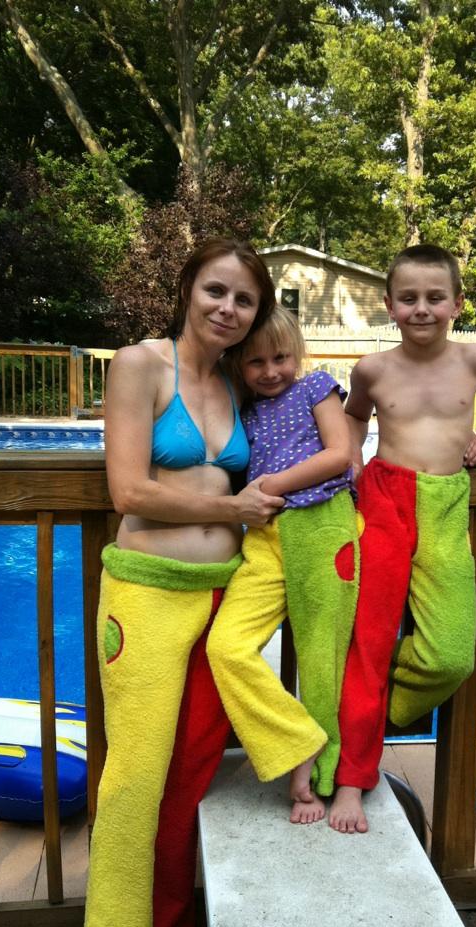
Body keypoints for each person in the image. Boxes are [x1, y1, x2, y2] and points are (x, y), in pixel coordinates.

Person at [80, 238, 289, 927]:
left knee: (190, 775)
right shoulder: (140, 365)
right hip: (145, 596)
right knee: (134, 777)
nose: (228, 309)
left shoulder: (239, 381)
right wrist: (230, 508)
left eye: (244, 300)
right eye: (216, 291)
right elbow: (129, 490)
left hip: (223, 599)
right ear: (187, 290)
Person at [328, 243, 476, 834]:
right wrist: (353, 458)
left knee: (451, 654)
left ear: (457, 304)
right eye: (408, 298)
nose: (421, 308)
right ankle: (351, 780)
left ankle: (381, 706)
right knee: (368, 640)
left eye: (435, 297)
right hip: (383, 499)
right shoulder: (373, 369)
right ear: (389, 305)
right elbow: (355, 414)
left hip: (444, 504)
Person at [206, 306, 359, 824]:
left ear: (297, 354)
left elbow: (339, 454)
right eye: (256, 362)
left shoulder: (316, 387)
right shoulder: (244, 411)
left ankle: (317, 779)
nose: (271, 371)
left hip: (322, 526)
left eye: (280, 358)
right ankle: (299, 740)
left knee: (321, 660)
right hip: (265, 538)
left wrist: (268, 486)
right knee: (227, 647)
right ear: (239, 366)